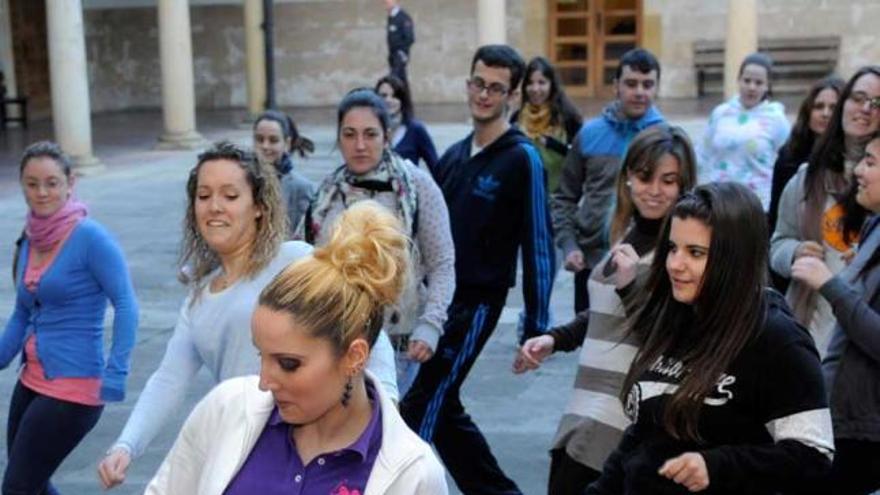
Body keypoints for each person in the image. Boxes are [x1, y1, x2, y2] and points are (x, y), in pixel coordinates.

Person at [97, 141, 398, 489]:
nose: (214, 207)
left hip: (319, 440)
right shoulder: (199, 298)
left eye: (230, 195)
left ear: (258, 205)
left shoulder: (296, 261)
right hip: (246, 447)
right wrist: (126, 445)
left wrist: (387, 408)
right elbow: (169, 379)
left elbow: (363, 329)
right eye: (204, 195)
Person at [144, 201, 448, 495]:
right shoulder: (225, 409)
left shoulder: (413, 473)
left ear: (353, 357)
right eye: (260, 356)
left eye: (288, 363)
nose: (264, 381)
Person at [587, 182, 833, 495]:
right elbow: (643, 436)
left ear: (736, 257)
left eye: (696, 253)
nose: (676, 264)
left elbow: (813, 455)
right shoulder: (678, 315)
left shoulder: (778, 340)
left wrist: (717, 466)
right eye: (673, 248)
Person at [400, 44, 554, 495]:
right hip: (436, 301)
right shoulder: (452, 156)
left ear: (513, 95)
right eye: (478, 83)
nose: (484, 95)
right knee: (442, 407)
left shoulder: (522, 158)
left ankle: (399, 483)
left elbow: (539, 246)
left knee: (420, 406)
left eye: (496, 88)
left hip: (478, 303)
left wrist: (536, 327)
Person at [515, 125, 697, 495]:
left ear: (684, 185)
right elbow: (604, 309)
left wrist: (631, 285)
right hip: (584, 405)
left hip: (620, 415)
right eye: (645, 177)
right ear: (628, 177)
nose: (655, 190)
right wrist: (555, 339)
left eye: (668, 180)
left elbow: (670, 336)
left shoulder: (680, 252)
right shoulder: (627, 234)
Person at [1, 141, 139, 494]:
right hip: (31, 379)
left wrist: (116, 371)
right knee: (31, 479)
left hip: (75, 387)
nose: (42, 192)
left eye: (51, 182)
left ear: (69, 183)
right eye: (32, 184)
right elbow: (22, 311)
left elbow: (125, 304)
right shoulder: (30, 238)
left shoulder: (91, 238)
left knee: (17, 486)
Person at [300, 88, 454, 397]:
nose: (360, 145)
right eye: (349, 134)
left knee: (378, 424)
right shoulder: (326, 193)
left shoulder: (417, 186)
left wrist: (431, 325)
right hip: (334, 336)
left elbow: (442, 263)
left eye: (370, 134)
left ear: (387, 136)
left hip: (398, 338)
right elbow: (302, 257)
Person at [791, 133, 880, 494]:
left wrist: (831, 284)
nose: (858, 170)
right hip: (838, 418)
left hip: (865, 432)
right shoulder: (873, 223)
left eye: (871, 162)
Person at [770, 66, 880, 357]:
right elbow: (778, 241)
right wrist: (794, 252)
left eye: (877, 102)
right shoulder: (806, 178)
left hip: (863, 337)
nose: (866, 108)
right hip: (809, 325)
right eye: (858, 98)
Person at [552, 48, 665, 315]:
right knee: (588, 335)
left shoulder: (666, 138)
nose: (640, 92)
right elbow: (564, 197)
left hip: (646, 261)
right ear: (616, 86)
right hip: (591, 261)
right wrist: (569, 245)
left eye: (647, 85)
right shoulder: (590, 134)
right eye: (631, 83)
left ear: (656, 88)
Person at [767, 76, 844, 292]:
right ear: (808, 112)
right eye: (819, 106)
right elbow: (776, 222)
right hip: (796, 270)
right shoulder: (789, 157)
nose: (826, 113)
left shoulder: (855, 164)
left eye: (833, 107)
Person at [697, 52, 791, 211]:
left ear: (768, 86)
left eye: (759, 82)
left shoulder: (777, 119)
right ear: (738, 80)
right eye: (747, 81)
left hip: (756, 205)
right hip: (718, 202)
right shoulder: (720, 113)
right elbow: (702, 154)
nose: (751, 87)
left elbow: (787, 161)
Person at [511, 56, 583, 194]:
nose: (535, 89)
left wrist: (553, 145)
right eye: (530, 83)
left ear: (552, 84)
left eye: (542, 82)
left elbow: (579, 159)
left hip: (559, 198)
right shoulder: (516, 119)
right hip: (522, 196)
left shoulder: (568, 117)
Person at [253, 109, 316, 235]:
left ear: (287, 143)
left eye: (273, 140)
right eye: (260, 139)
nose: (265, 146)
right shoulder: (242, 181)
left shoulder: (301, 188)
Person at [375, 75, 439, 173]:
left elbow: (437, 169)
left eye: (395, 96)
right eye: (383, 96)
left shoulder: (415, 129)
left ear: (402, 101)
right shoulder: (369, 130)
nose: (388, 100)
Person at [384, 0, 414, 84]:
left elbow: (410, 38)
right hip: (393, 55)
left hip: (399, 55)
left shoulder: (403, 17)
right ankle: (407, 97)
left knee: (393, 80)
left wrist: (402, 52)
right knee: (402, 81)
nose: (385, 2)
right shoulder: (391, 17)